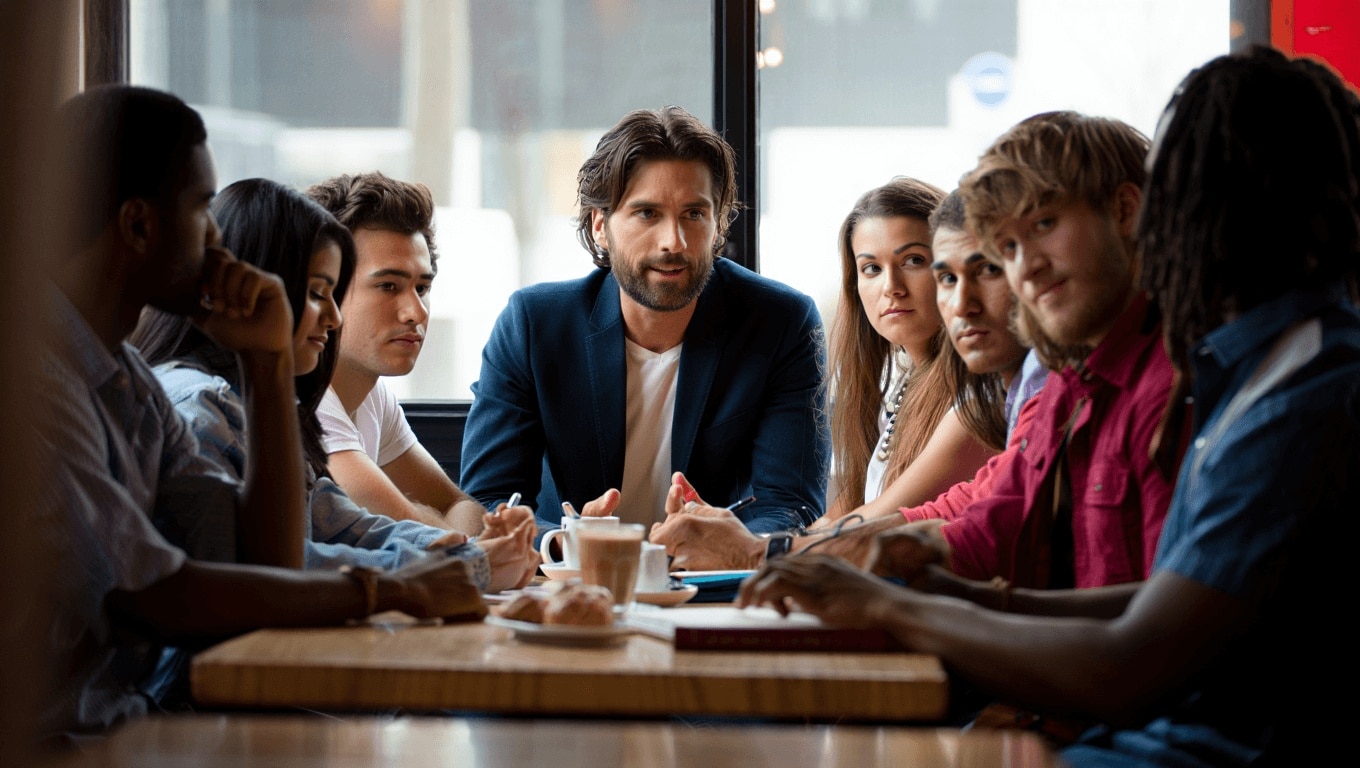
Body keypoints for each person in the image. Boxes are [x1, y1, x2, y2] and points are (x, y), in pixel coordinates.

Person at [741, 47, 1360, 766]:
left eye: (1185, 194)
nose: (1170, 229)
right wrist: (933, 589)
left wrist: (898, 604)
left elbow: (1132, 661)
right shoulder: (1249, 367)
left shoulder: (1293, 389)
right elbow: (1155, 600)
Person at [38, 85, 483, 741]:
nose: (219, 240)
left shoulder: (126, 381)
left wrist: (267, 362)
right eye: (199, 210)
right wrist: (388, 591)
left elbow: (257, 559)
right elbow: (161, 594)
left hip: (134, 725)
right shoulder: (37, 381)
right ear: (138, 225)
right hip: (67, 744)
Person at [130, 178, 537, 592]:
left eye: (423, 288)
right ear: (253, 289)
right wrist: (465, 564)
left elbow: (349, 526)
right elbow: (269, 566)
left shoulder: (272, 401)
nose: (334, 318)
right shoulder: (201, 406)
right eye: (316, 292)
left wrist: (472, 556)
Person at [459, 106, 829, 536]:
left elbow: (792, 505)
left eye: (694, 214)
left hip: (716, 583)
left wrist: (728, 542)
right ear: (601, 226)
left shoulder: (781, 323)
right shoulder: (533, 325)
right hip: (570, 580)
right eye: (647, 214)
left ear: (718, 225)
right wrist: (568, 542)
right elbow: (490, 503)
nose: (674, 241)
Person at [651, 187, 1041, 570]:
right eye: (871, 268)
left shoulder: (979, 401)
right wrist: (727, 535)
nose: (891, 287)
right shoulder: (896, 388)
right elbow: (835, 524)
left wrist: (748, 547)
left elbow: (877, 522)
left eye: (914, 260)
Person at [305, 172, 487, 535]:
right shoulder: (307, 395)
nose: (416, 312)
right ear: (325, 285)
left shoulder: (373, 397)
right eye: (388, 286)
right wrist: (432, 524)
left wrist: (428, 521)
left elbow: (462, 507)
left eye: (422, 287)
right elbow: (424, 541)